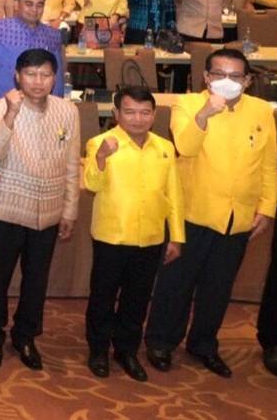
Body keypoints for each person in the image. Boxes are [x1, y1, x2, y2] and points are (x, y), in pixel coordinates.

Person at [145, 48, 277, 378]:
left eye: (235, 76)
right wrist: (206, 113)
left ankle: (203, 344)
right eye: (219, 74)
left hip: (237, 217)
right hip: (192, 213)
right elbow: (185, 146)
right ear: (206, 77)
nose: (227, 81)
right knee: (176, 283)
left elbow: (267, 164)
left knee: (218, 288)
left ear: (247, 81)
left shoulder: (261, 110)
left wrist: (266, 207)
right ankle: (161, 341)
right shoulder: (187, 104)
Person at [0, 48, 81, 370]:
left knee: (36, 281)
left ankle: (25, 336)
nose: (38, 81)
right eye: (31, 74)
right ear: (17, 76)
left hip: (48, 211)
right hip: (5, 210)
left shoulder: (67, 111)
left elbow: (72, 163)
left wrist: (69, 210)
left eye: (45, 74)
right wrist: (11, 114)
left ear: (54, 77)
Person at [83, 86, 184, 381]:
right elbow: (92, 184)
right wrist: (102, 157)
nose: (137, 119)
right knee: (102, 297)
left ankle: (126, 350)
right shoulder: (100, 142)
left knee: (137, 299)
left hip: (150, 237)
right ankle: (98, 349)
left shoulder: (165, 148)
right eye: (129, 112)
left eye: (144, 112)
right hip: (111, 236)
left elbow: (174, 195)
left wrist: (177, 236)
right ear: (117, 114)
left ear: (154, 115)